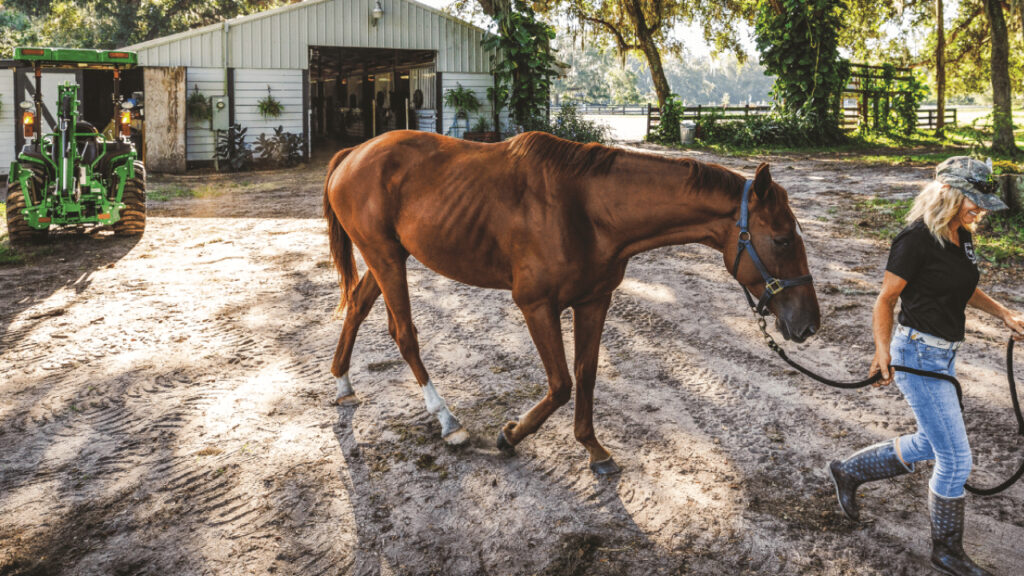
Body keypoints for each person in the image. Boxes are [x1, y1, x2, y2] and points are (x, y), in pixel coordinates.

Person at [827, 157, 1024, 576]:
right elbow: (885, 299)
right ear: (948, 195)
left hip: (944, 354)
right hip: (916, 354)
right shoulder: (915, 239)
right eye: (974, 201)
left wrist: (1003, 313)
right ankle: (946, 551)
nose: (980, 210)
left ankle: (848, 471)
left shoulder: (962, 235)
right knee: (955, 459)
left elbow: (962, 286)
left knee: (933, 442)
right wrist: (883, 351)